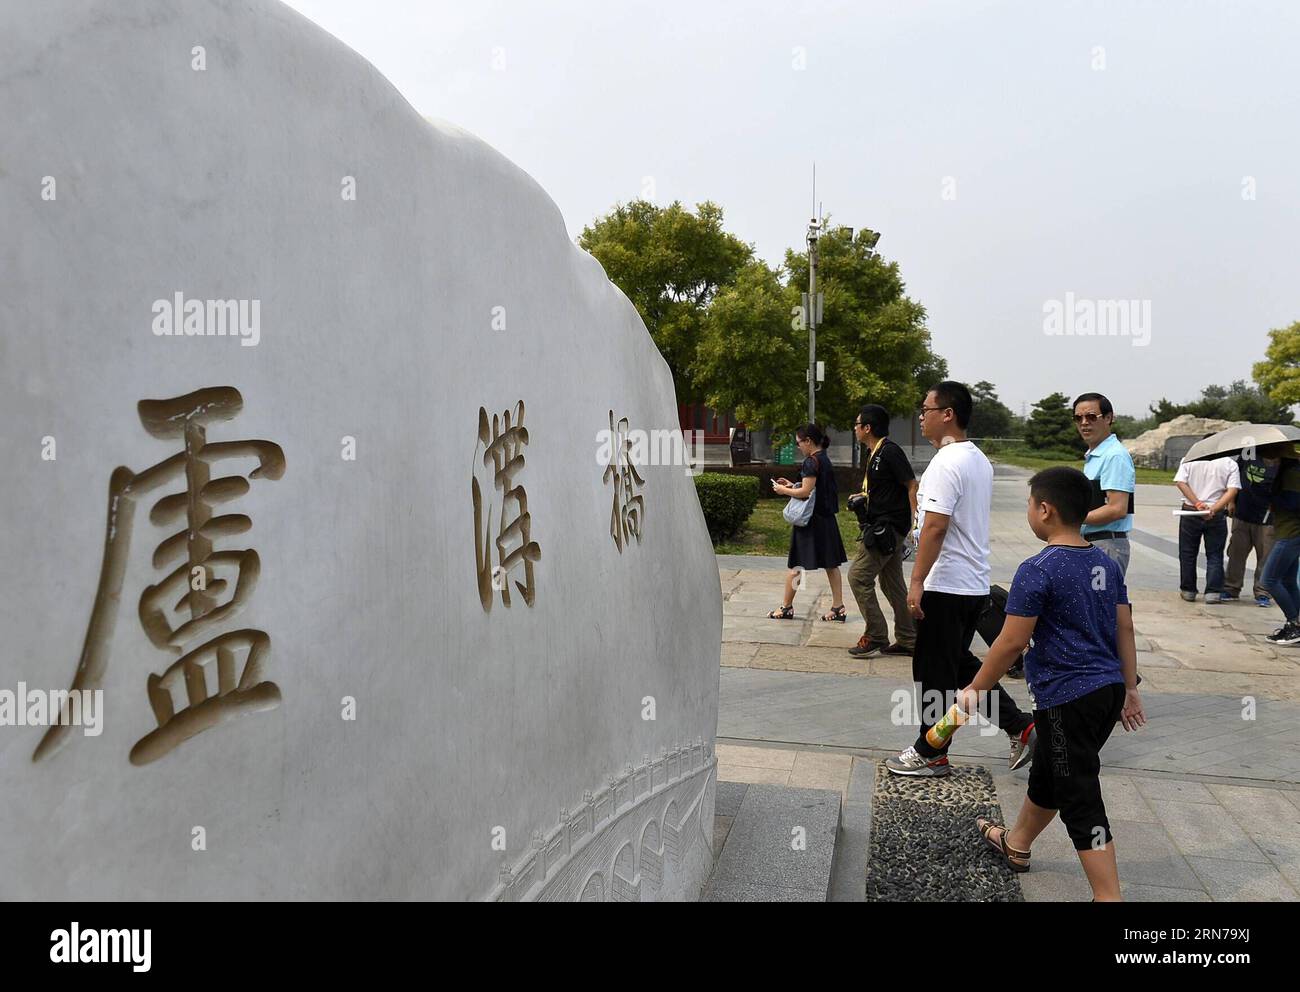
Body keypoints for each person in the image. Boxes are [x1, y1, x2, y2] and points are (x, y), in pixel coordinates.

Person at [957, 467, 1146, 901]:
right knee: (1051, 766)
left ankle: (1108, 896)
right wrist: (1130, 689)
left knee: (1078, 792)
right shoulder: (1104, 562)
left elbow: (1011, 641)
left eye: (1029, 504)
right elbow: (1126, 629)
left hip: (1067, 699)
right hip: (1107, 691)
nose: (1029, 511)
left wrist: (976, 688)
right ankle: (1017, 843)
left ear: (1044, 509)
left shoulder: (1037, 568)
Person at [885, 381, 1037, 777]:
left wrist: (916, 582)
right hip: (971, 586)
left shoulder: (946, 462)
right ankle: (1022, 727)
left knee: (935, 674)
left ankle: (931, 751)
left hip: (946, 585)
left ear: (947, 414)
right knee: (959, 667)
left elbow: (935, 526)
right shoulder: (977, 460)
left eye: (926, 409)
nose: (921, 416)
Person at [845, 404, 917, 658]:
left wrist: (914, 521)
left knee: (858, 577)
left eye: (857, 424)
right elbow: (885, 489)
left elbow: (911, 484)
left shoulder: (889, 452)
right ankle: (909, 639)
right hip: (886, 525)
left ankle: (876, 634)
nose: (854, 429)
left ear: (867, 428)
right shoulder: (874, 453)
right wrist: (864, 496)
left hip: (886, 529)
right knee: (893, 583)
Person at [769, 423, 848, 622]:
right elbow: (813, 489)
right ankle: (838, 607)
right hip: (827, 520)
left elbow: (805, 493)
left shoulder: (811, 462)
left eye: (799, 443)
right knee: (831, 564)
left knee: (796, 566)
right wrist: (793, 484)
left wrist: (783, 490)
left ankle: (786, 607)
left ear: (808, 441)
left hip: (810, 522)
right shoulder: (824, 459)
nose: (798, 447)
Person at [1074, 393, 1136, 577]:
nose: (1084, 422)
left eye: (1091, 417)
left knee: (1102, 604)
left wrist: (1070, 519)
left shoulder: (1114, 456)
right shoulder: (1097, 455)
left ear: (1108, 418)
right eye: (1078, 418)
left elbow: (1117, 509)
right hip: (1094, 543)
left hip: (1106, 545)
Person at [1173, 443, 1240, 604]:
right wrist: (1214, 509)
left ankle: (1188, 590)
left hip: (1190, 511)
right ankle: (1213, 592)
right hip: (1215, 514)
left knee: (1188, 552)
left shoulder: (1189, 460)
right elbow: (1232, 490)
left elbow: (1181, 483)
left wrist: (1197, 504)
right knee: (1215, 554)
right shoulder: (1229, 463)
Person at [1223, 446, 1280, 605]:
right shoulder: (1248, 455)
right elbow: (1233, 479)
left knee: (1265, 557)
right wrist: (1231, 501)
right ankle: (1231, 588)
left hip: (1268, 519)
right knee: (1236, 553)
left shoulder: (1285, 462)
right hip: (1242, 513)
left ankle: (1262, 592)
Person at [1259, 448, 1300, 645]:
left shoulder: (1292, 472)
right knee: (1288, 581)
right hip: (1288, 531)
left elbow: (1294, 503)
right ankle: (1294, 625)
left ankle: (1295, 623)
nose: (1269, 460)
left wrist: (1269, 494)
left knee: (1269, 580)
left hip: (1290, 534)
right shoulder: (1287, 471)